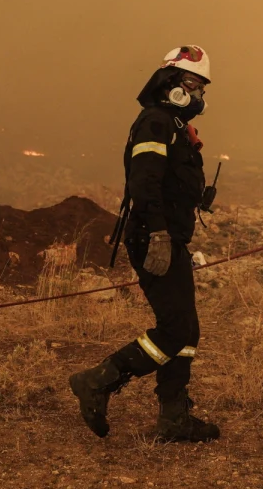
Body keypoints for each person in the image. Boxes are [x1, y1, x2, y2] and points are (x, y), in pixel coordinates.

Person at [68, 45, 220, 442]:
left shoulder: (174, 126)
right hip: (155, 238)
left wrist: (194, 197)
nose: (198, 93)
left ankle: (174, 418)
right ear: (171, 83)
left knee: (187, 330)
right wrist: (158, 233)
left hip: (171, 238)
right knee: (174, 329)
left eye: (202, 86)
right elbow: (143, 182)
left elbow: (167, 182)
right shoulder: (156, 121)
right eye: (192, 83)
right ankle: (97, 381)